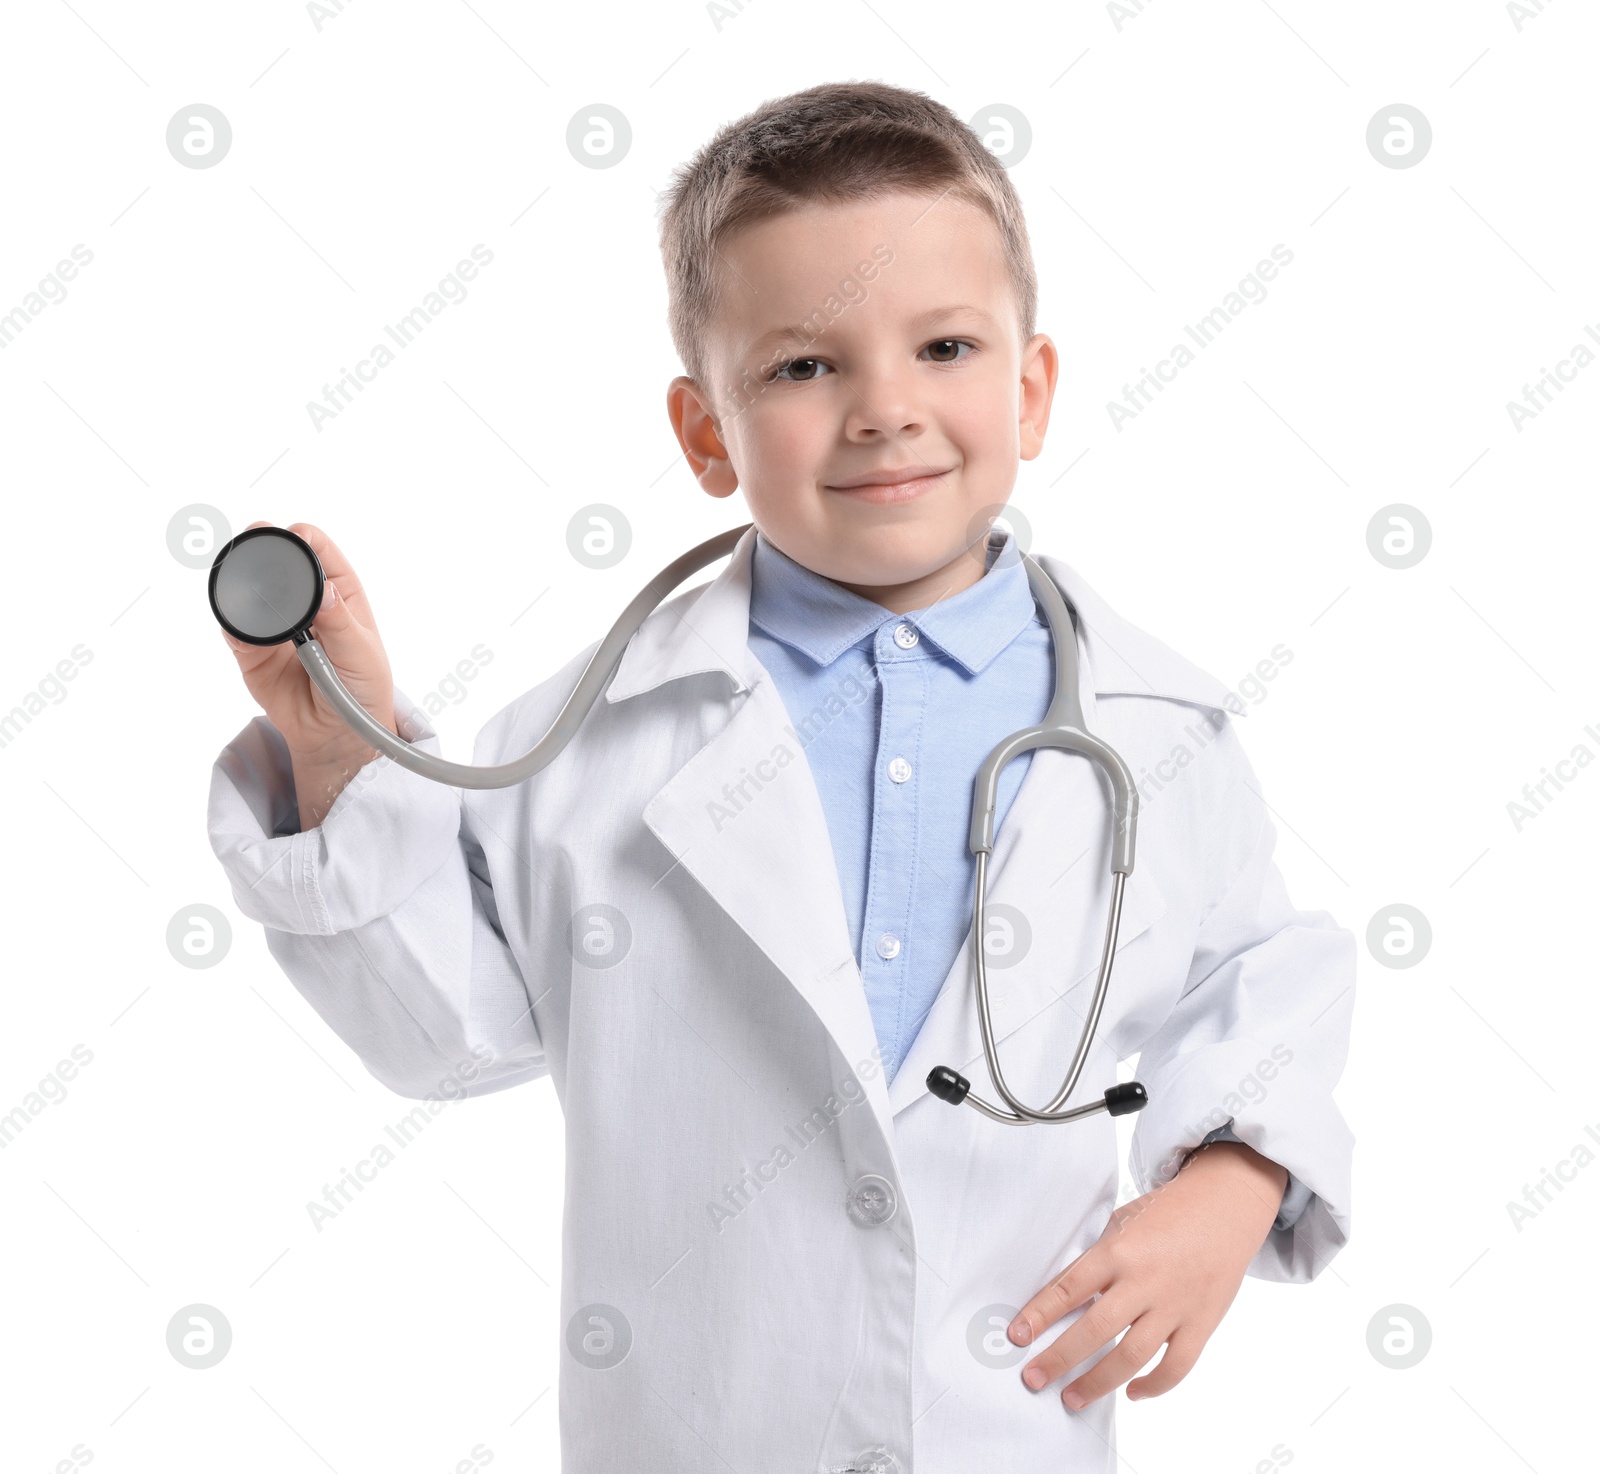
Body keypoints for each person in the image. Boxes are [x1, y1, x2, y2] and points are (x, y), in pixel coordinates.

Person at [208, 80, 1354, 1474]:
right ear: (706, 434)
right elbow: (437, 1029)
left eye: (942, 346)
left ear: (1030, 390)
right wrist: (341, 744)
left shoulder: (1156, 724)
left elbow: (1262, 972)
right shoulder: (586, 732)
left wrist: (1234, 1181)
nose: (885, 410)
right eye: (804, 367)